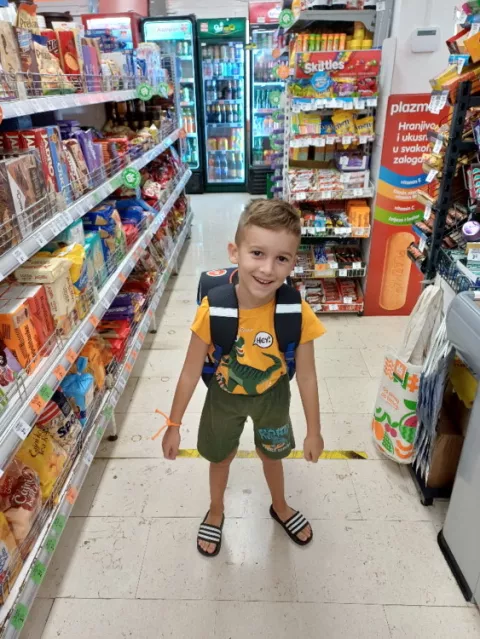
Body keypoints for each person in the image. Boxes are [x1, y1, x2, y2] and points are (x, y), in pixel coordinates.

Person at [161, 199, 326, 556]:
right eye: (257, 253)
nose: (267, 269)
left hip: (273, 398)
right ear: (234, 252)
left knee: (272, 456)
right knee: (220, 458)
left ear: (293, 262)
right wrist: (173, 424)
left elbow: (308, 377)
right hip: (223, 397)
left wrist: (314, 430)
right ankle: (216, 510)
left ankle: (280, 505)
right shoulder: (214, 308)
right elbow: (190, 371)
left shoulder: (296, 310)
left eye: (281, 258)